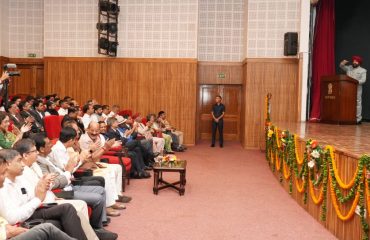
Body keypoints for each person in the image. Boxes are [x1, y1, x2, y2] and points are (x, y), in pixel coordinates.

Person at [0, 149, 88, 240]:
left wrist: (43, 192)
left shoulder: (20, 178)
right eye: (19, 161)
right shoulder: (3, 186)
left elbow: (35, 195)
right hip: (21, 220)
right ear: (7, 164)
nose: (23, 164)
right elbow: (13, 218)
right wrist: (38, 198)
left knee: (65, 211)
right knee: (60, 216)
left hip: (31, 211)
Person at [340, 56, 367, 123]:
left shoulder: (363, 70)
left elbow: (363, 80)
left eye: (356, 61)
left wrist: (355, 82)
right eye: (354, 61)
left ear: (359, 63)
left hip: (357, 88)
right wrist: (343, 63)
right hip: (347, 89)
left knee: (357, 103)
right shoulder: (349, 68)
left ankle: (358, 119)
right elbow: (341, 66)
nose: (354, 62)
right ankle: (347, 117)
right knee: (347, 102)